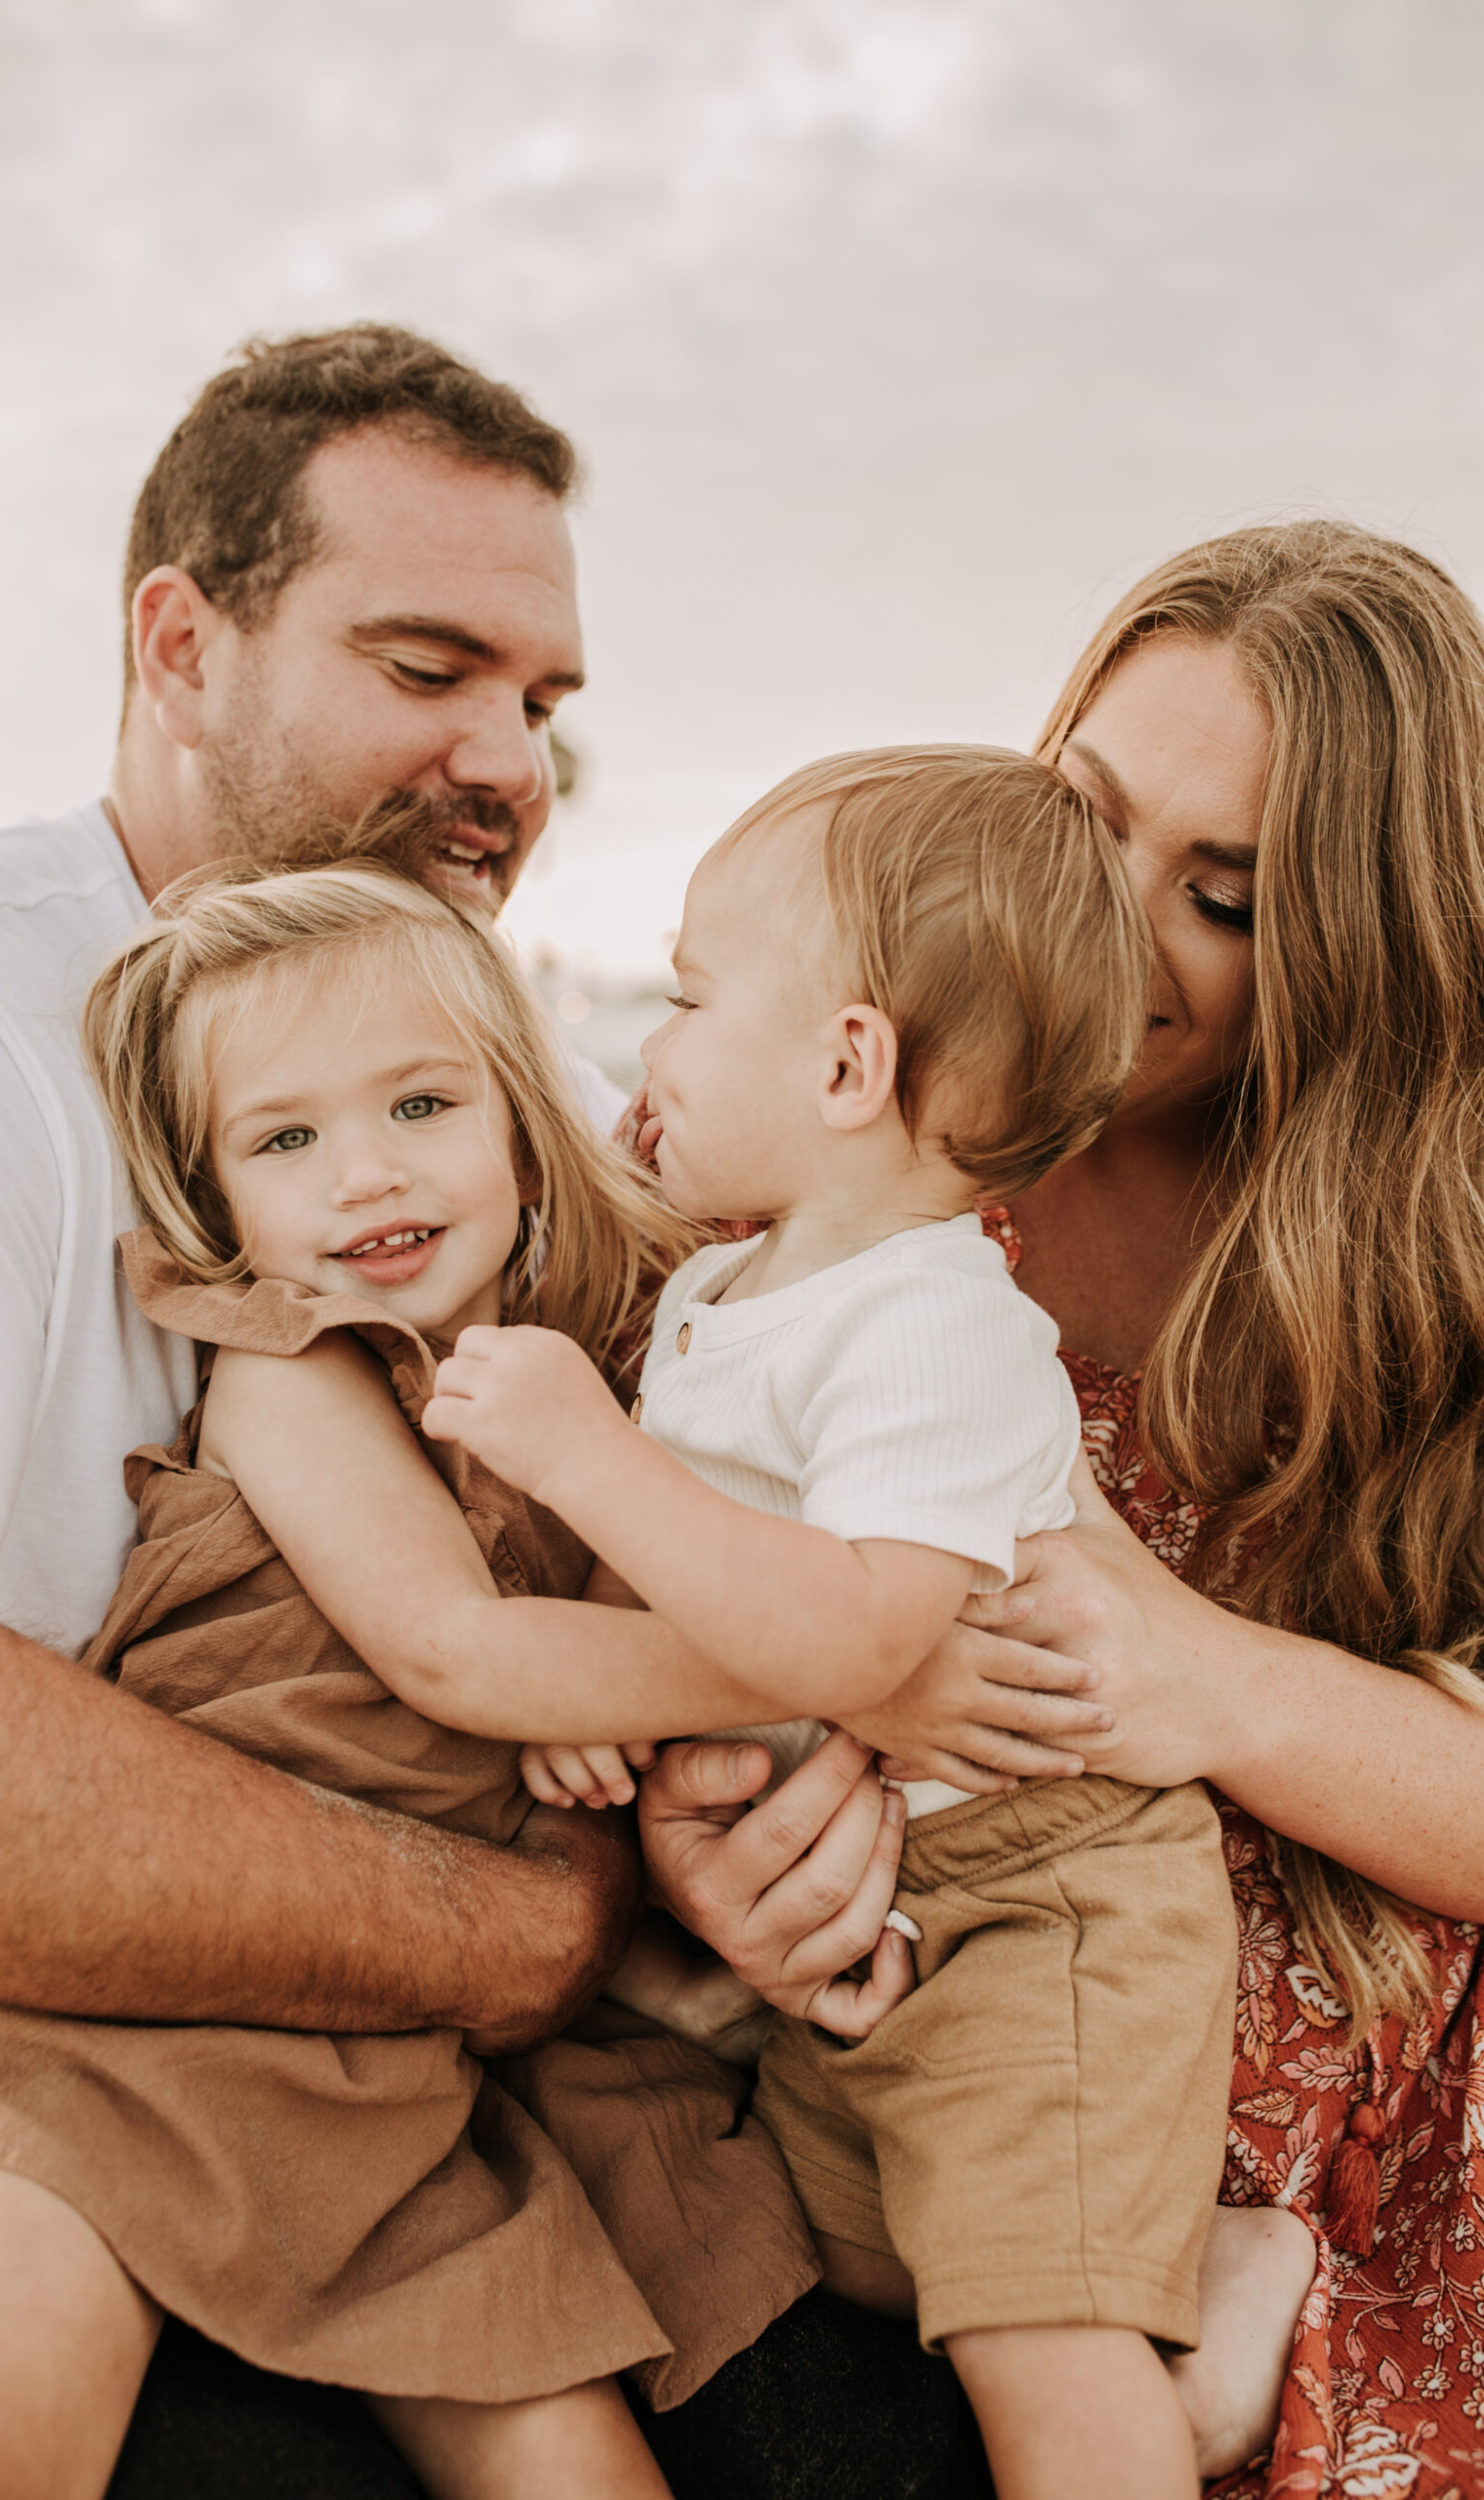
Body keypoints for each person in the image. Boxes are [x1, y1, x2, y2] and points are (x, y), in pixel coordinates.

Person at [639, 519, 1484, 2499]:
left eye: (1216, 893)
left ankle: (1243, 2313)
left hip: (1314, 2104)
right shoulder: (834, 1159)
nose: (1104, 913)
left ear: (1350, 953)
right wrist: (713, 1849)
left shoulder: (1422, 1287)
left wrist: (1206, 1681)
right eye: (1077, 812)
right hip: (907, 2038)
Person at [0, 853, 829, 2500]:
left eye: (421, 1105)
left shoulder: (596, 1359)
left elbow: (587, 1619)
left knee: (580, 2458)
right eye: (284, 1141)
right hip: (146, 2006)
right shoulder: (288, 1368)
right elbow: (454, 1647)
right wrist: (744, 1676)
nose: (363, 1175)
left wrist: (597, 1716)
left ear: (521, 1114)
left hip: (401, 2064)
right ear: (221, 1204)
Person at [422, 743, 1320, 2497]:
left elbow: (858, 1642)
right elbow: (704, 1551)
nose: (653, 1050)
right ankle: (1197, 2283)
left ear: (844, 1064)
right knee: (862, 2250)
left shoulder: (935, 1324)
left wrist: (584, 1459)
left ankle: (1147, 2389)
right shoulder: (727, 1285)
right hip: (901, 1897)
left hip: (1037, 1900)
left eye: (684, 999)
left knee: (1032, 2344)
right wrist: (592, 1680)